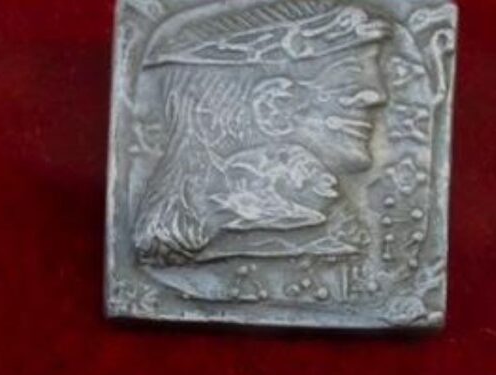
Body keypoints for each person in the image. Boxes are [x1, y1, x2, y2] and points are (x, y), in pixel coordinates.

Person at [133, 0, 392, 274]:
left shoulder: (339, 233)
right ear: (272, 107)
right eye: (350, 78)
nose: (378, 96)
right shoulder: (272, 242)